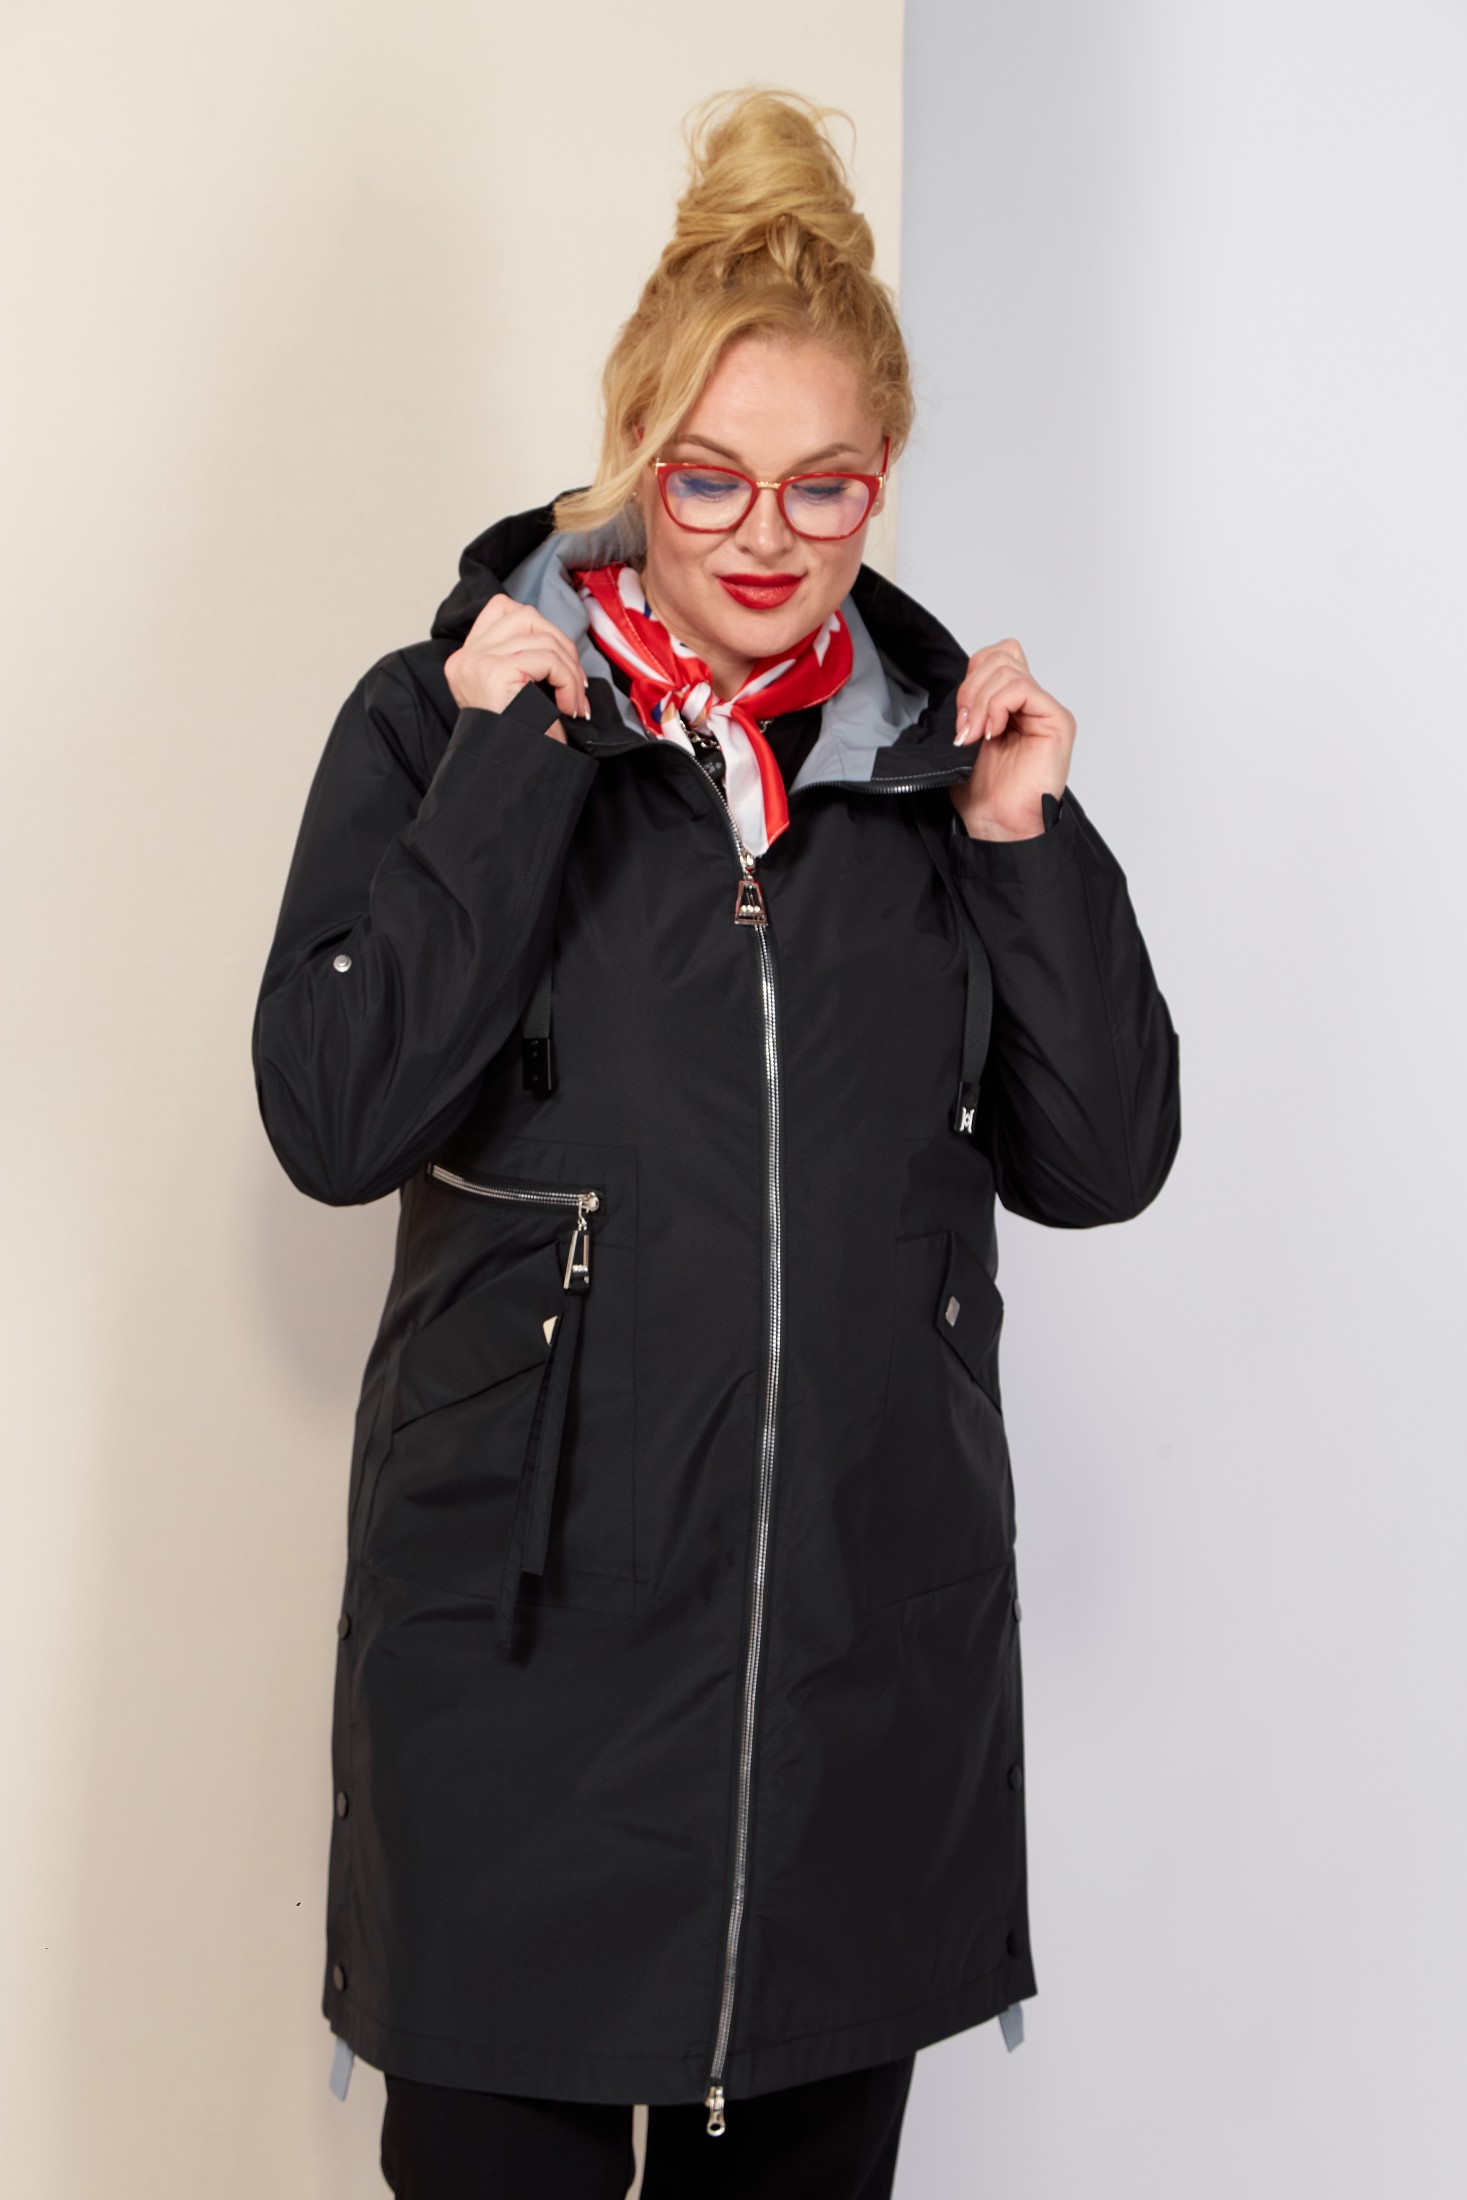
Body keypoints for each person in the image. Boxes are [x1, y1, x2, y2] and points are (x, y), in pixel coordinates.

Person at [252, 85, 1181, 2200]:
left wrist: (1024, 841)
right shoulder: (443, 720)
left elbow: (1104, 1154)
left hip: (853, 1723)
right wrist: (507, 776)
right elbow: (332, 1113)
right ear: (630, 451)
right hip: (521, 1719)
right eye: (709, 477)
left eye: (823, 484)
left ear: (882, 479)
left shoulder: (935, 776)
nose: (765, 536)